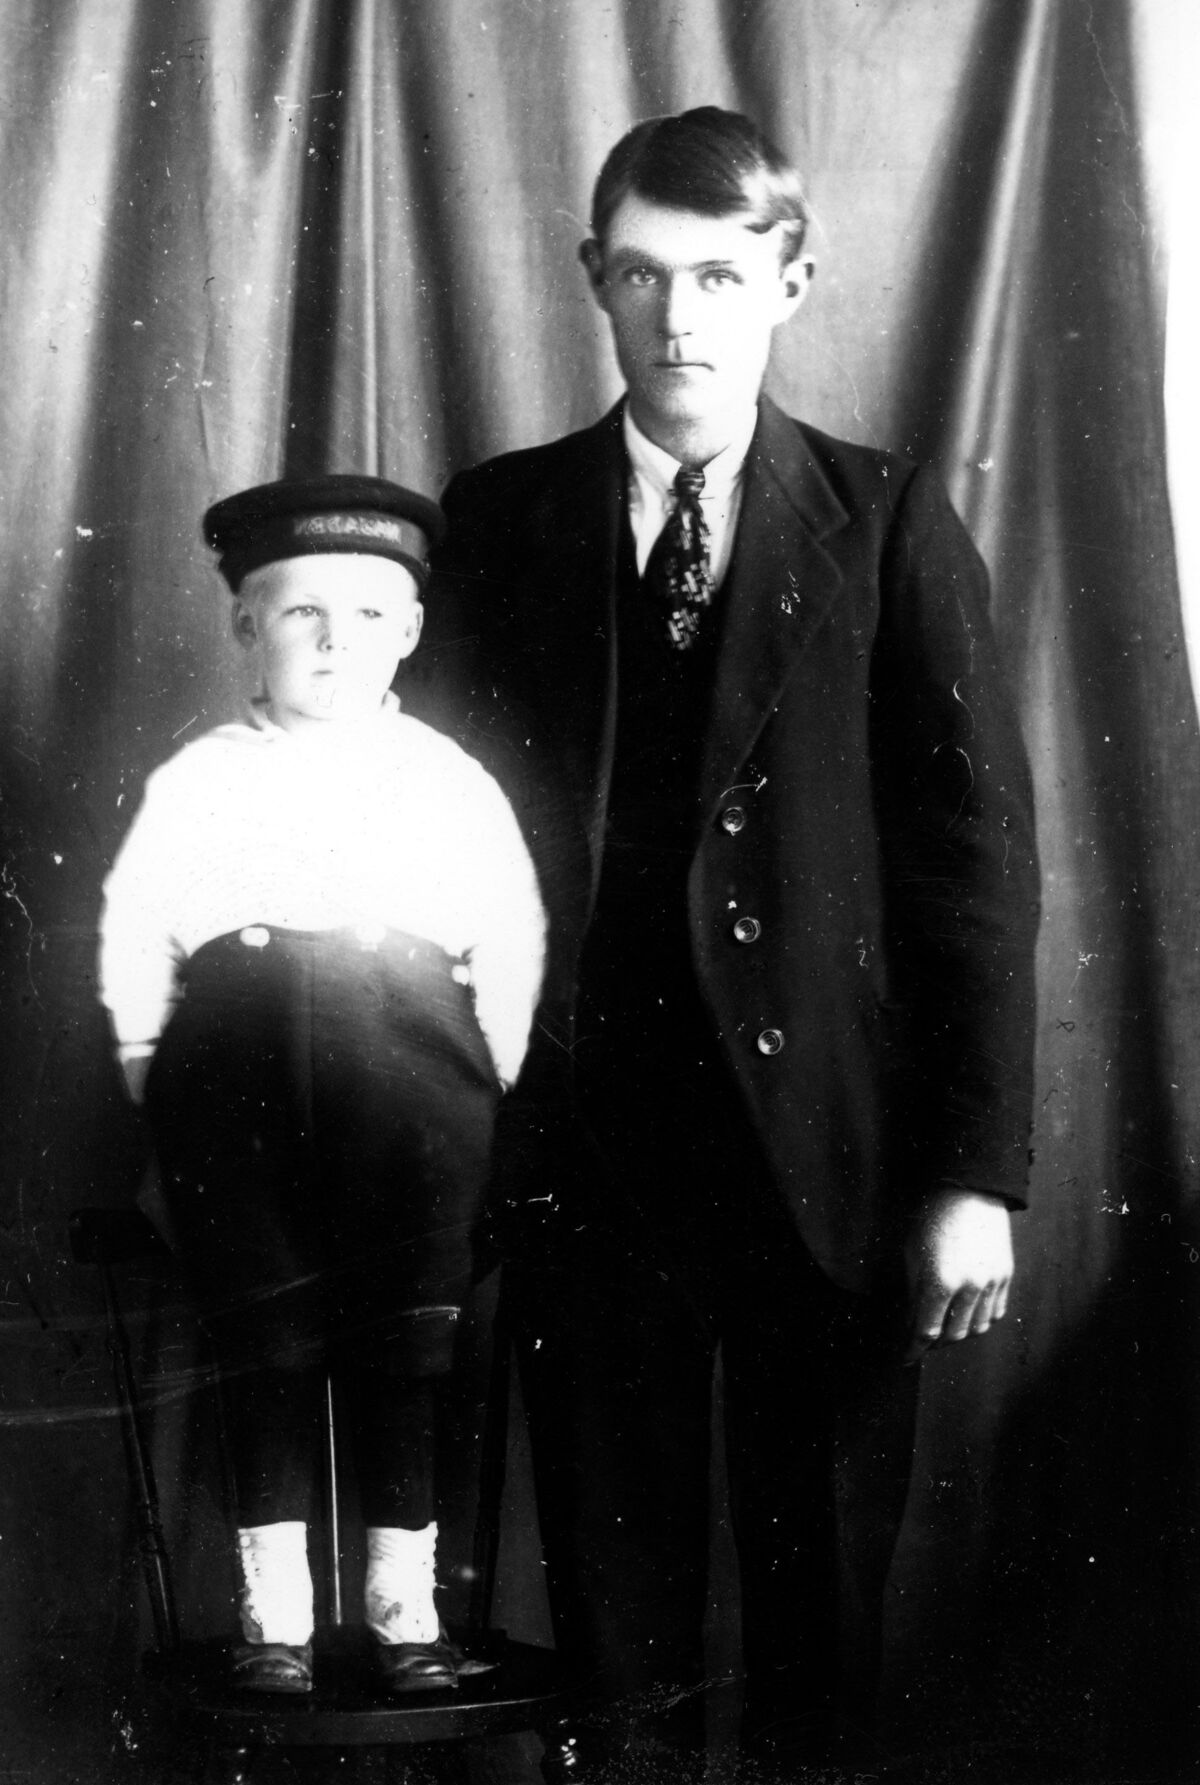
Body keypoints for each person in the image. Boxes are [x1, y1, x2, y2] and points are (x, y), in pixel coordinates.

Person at [423, 107, 1040, 1773]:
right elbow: (431, 843)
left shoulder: (883, 518)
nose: (679, 317)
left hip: (827, 1160)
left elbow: (976, 869)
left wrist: (973, 1173)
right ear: (592, 280)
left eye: (717, 275)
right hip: (591, 1154)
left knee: (820, 1629)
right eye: (642, 275)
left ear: (791, 282)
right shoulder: (501, 519)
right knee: (614, 1642)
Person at [98, 475, 545, 1696]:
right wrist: (149, 1068)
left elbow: (509, 933)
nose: (334, 642)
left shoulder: (446, 778)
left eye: (367, 616)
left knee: (404, 1349)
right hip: (231, 1093)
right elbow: (135, 928)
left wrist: (484, 1088)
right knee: (268, 1345)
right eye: (301, 614)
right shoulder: (199, 780)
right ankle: (275, 1626)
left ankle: (407, 1619)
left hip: (415, 1089)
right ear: (246, 627)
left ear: (410, 631)